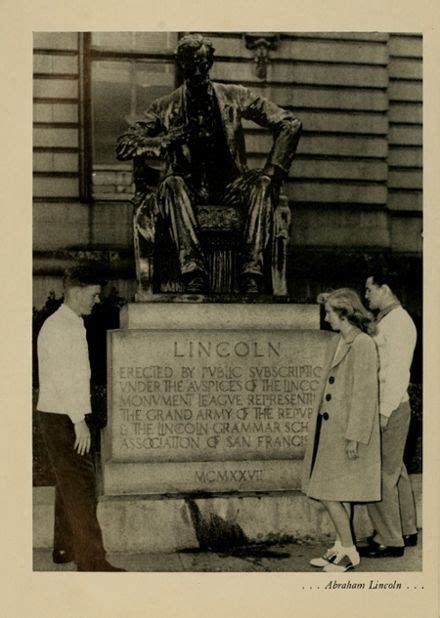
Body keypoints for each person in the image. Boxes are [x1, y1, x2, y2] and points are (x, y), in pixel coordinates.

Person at [116, 33, 302, 294]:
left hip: (232, 185)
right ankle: (193, 271)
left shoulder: (235, 96)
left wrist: (274, 171)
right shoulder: (164, 107)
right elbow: (125, 145)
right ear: (183, 64)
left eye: (205, 63)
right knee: (172, 185)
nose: (200, 70)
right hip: (189, 189)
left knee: (261, 184)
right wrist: (165, 140)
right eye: (194, 64)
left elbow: (289, 123)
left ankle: (251, 273)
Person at [36, 263, 125, 572]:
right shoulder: (62, 327)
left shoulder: (65, 323)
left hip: (56, 414)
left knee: (67, 486)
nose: (96, 300)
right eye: (94, 294)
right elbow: (64, 378)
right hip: (64, 417)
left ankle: (64, 548)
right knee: (83, 488)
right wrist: (78, 422)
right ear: (76, 291)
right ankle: (92, 562)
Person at [302, 289, 381, 572]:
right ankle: (339, 547)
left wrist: (355, 436)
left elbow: (364, 393)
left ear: (345, 314)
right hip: (328, 428)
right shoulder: (337, 341)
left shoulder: (362, 344)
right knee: (339, 490)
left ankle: (349, 551)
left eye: (329, 313)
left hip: (347, 432)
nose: (326, 318)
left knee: (327, 492)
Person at [359, 266, 418, 558]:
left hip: (391, 406)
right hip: (392, 406)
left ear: (386, 289)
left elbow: (397, 375)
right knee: (397, 471)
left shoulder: (399, 323)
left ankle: (389, 539)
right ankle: (406, 529)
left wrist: (383, 413)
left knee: (380, 474)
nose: (366, 295)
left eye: (370, 289)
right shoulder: (389, 320)